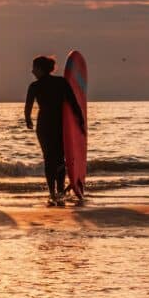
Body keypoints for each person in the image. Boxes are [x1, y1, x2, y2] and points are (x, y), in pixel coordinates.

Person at [25, 55, 85, 207]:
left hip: (44, 125)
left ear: (40, 69)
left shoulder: (34, 86)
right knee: (60, 158)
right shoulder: (61, 82)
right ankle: (60, 190)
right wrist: (80, 120)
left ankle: (52, 192)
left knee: (48, 158)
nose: (32, 71)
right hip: (60, 125)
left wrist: (28, 120)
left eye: (34, 68)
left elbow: (28, 108)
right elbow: (73, 103)